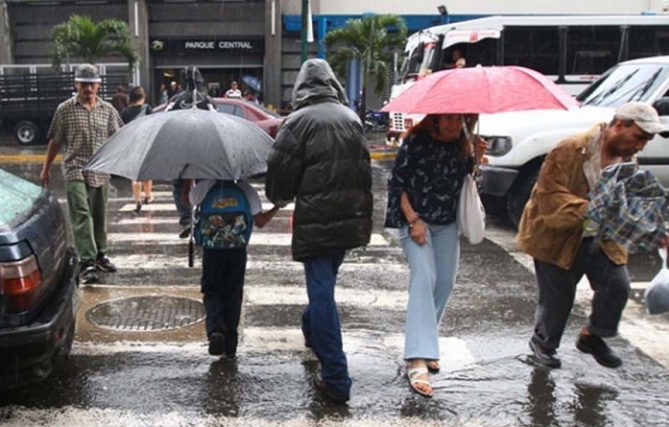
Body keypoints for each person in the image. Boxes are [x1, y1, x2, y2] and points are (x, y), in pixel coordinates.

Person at [518, 102, 669, 370]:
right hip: (557, 235)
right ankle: (543, 345)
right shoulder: (570, 150)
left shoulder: (627, 160)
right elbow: (550, 197)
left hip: (601, 237)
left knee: (617, 285)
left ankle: (593, 336)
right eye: (639, 137)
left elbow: (631, 200)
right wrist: (594, 210)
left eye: (647, 140)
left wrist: (652, 228)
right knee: (558, 298)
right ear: (620, 125)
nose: (641, 146)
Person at [265, 58, 373, 405]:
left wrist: (278, 199)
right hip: (350, 218)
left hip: (316, 220)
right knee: (325, 285)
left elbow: (279, 176)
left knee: (322, 292)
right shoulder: (351, 118)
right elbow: (365, 171)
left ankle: (336, 378)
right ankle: (312, 328)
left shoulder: (297, 122)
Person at [385, 114, 487, 398]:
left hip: (446, 223)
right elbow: (397, 184)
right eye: (450, 120)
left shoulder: (462, 143)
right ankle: (417, 358)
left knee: (445, 282)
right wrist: (413, 219)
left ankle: (426, 342)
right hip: (415, 220)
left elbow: (466, 179)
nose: (455, 125)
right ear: (436, 121)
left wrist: (476, 157)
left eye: (461, 120)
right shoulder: (416, 141)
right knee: (424, 278)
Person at [41, 63, 123, 285]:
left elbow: (119, 138)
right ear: (76, 84)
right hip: (75, 168)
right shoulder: (65, 109)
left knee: (99, 214)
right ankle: (86, 261)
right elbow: (55, 141)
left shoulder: (108, 110)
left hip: (100, 169)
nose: (88, 88)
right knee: (81, 213)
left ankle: (100, 254)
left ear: (99, 85)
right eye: (84, 84)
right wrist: (46, 168)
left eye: (92, 84)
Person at [191, 180, 279, 359]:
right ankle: (230, 344)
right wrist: (277, 207)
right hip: (237, 249)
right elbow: (260, 221)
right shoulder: (245, 189)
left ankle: (216, 329)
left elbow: (188, 200)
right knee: (233, 291)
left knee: (212, 289)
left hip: (212, 249)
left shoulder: (205, 187)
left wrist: (188, 181)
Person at [120, 86, 155, 213]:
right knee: (146, 171)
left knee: (134, 174)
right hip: (145, 143)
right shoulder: (147, 109)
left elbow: (121, 129)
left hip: (131, 144)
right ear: (143, 97)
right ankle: (148, 195)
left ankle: (137, 200)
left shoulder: (124, 112)